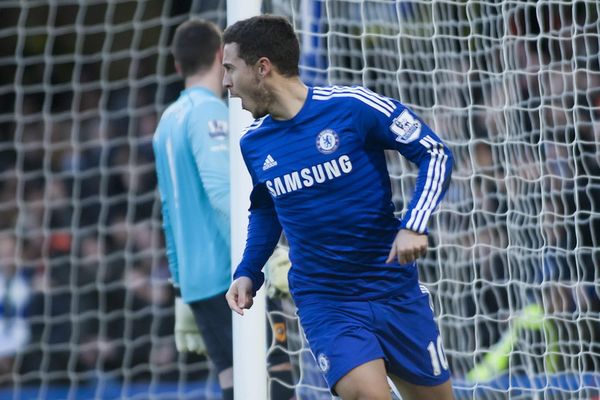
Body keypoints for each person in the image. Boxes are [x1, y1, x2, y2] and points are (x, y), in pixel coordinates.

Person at [223, 15, 455, 400]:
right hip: (327, 301)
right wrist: (248, 270)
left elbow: (434, 153)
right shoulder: (254, 144)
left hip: (391, 289)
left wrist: (414, 223)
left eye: (230, 69)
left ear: (262, 68)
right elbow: (266, 209)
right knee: (369, 395)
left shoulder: (351, 107)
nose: (227, 84)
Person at [152, 19, 233, 399]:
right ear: (221, 56)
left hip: (199, 283)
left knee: (234, 382)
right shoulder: (210, 113)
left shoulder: (167, 120)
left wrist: (181, 289)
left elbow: (169, 213)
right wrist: (260, 260)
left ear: (177, 65)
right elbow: (222, 195)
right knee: (276, 384)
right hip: (231, 277)